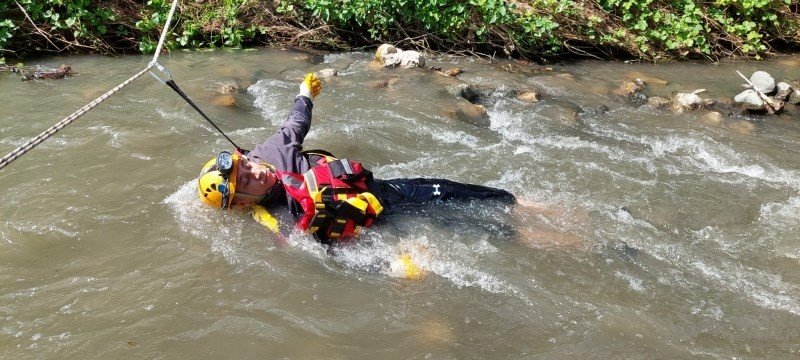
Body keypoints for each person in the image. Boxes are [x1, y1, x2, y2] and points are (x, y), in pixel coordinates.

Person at [197, 73, 518, 244]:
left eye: (246, 166)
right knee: (449, 228)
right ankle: (512, 233)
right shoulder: (273, 218)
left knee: (443, 192)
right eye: (248, 181)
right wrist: (388, 262)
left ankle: (515, 204)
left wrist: (304, 93)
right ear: (242, 203)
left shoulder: (270, 152)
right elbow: (321, 250)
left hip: (378, 193)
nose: (256, 172)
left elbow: (295, 123)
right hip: (360, 227)